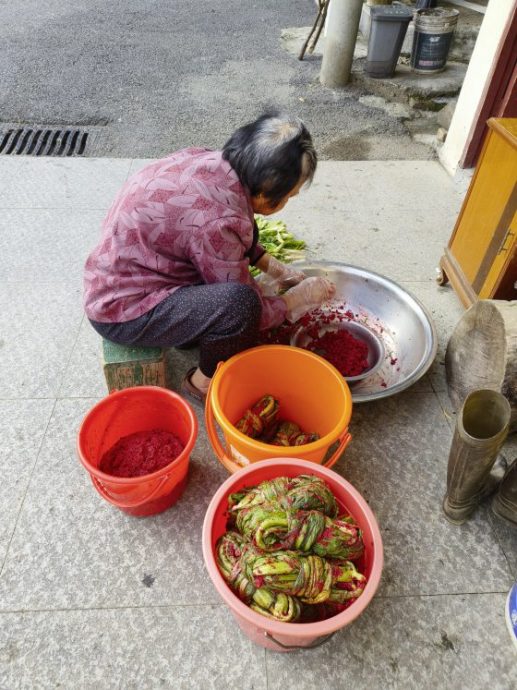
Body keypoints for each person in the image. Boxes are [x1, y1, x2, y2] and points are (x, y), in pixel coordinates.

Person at [83, 111, 335, 403]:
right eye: (288, 196)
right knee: (241, 307)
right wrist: (295, 300)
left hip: (126, 272)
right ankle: (200, 383)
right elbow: (249, 310)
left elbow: (240, 228)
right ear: (266, 194)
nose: (287, 203)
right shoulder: (217, 223)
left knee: (241, 261)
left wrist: (274, 267)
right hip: (122, 310)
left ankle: (190, 333)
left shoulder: (214, 164)